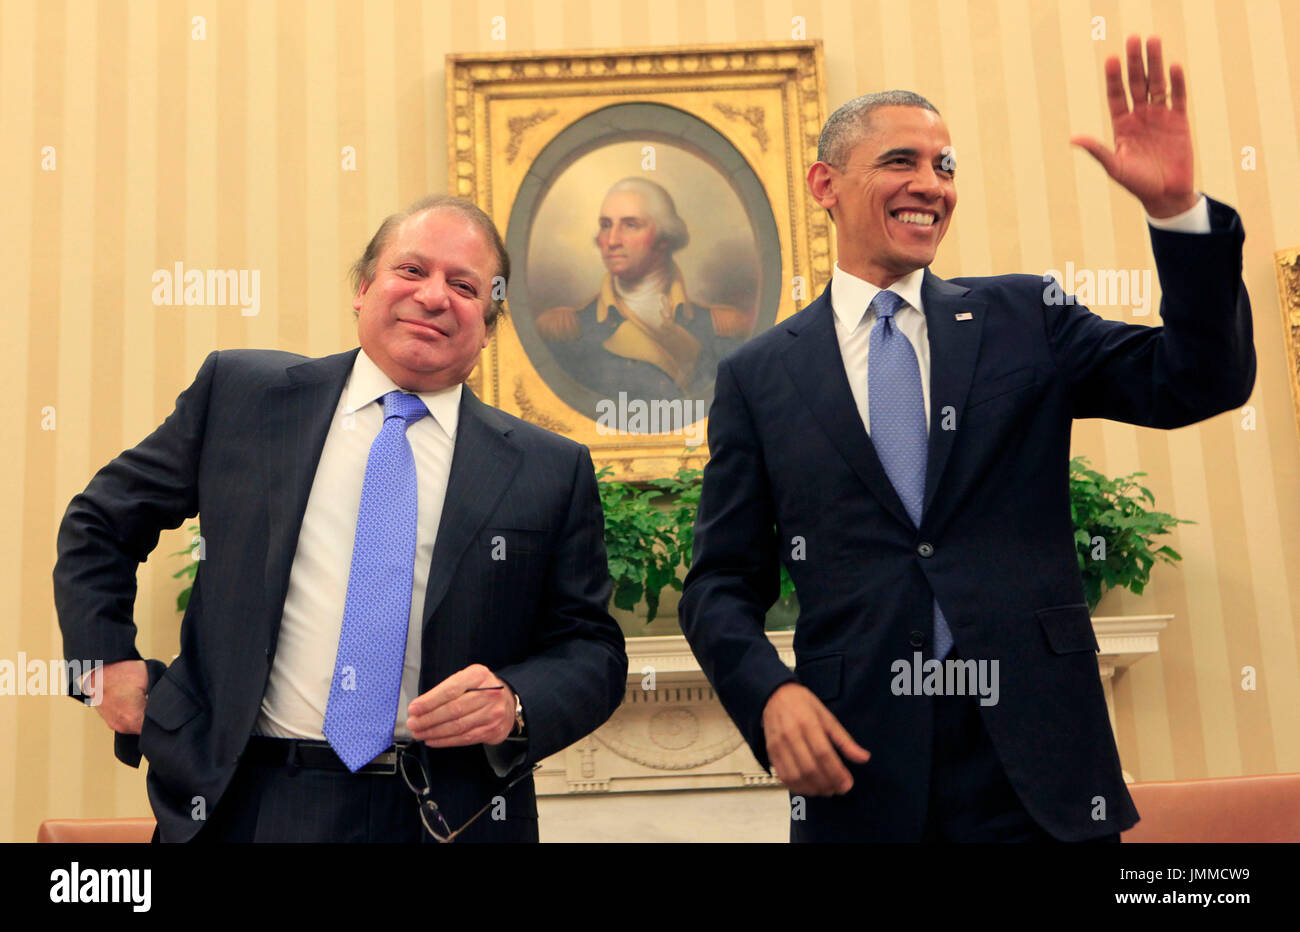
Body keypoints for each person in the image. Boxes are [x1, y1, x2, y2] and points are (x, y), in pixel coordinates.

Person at [679, 36, 1254, 842]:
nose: (930, 185)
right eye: (901, 161)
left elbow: (1200, 381)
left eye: (945, 167)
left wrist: (1176, 216)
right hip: (860, 772)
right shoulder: (759, 376)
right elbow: (719, 585)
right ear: (826, 184)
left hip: (1041, 772)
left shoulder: (1026, 318)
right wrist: (769, 692)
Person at [53, 194, 628, 843]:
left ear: (489, 324)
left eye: (465, 285)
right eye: (411, 271)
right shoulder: (243, 396)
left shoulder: (550, 468)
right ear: (363, 288)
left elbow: (592, 651)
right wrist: (102, 664)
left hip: (447, 817)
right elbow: (101, 519)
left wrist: (516, 703)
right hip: (250, 803)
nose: (434, 296)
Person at [537, 177, 751, 409]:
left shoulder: (724, 328)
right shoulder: (563, 330)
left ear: (664, 238)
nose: (611, 241)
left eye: (630, 225)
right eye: (606, 225)